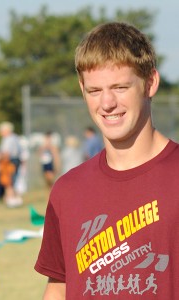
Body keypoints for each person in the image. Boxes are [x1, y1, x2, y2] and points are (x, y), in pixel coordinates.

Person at [35, 22, 179, 299]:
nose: (107, 103)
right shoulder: (68, 190)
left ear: (151, 83)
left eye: (120, 87)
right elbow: (59, 285)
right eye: (95, 91)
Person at [0, 121, 22, 207]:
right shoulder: (15, 137)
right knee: (13, 181)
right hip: (15, 160)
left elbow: (6, 153)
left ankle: (11, 200)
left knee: (9, 181)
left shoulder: (8, 139)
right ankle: (14, 199)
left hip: (9, 162)